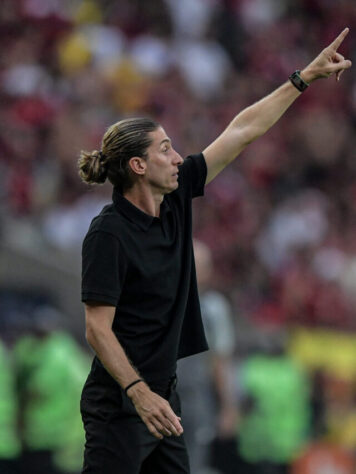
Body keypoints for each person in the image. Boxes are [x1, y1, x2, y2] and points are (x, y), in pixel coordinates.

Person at [78, 29, 351, 474]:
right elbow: (96, 329)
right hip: (121, 406)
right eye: (165, 149)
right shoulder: (107, 234)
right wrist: (139, 393)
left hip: (164, 398)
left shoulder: (177, 195)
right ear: (138, 166)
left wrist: (302, 79)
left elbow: (241, 131)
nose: (177, 156)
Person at [177, 240, 237, 474]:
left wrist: (228, 407)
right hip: (159, 396)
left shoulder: (214, 310)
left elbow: (220, 361)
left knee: (194, 460)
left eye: (200, 265)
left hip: (196, 398)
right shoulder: (157, 303)